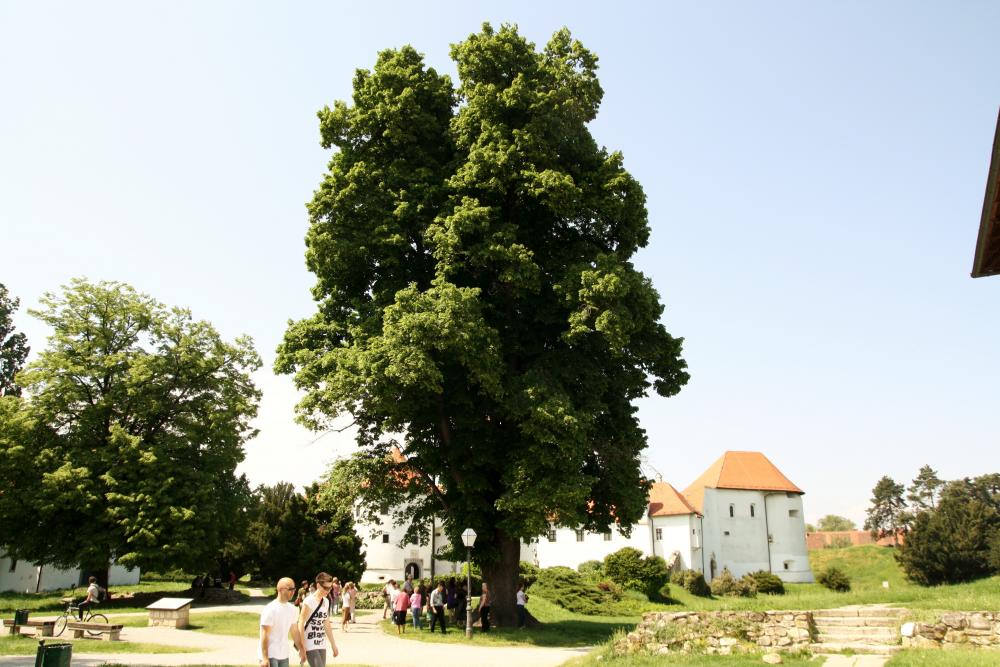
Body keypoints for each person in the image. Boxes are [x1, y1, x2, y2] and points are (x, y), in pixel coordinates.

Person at [259, 577, 304, 667]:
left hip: (283, 654)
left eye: (294, 589)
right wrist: (265, 658)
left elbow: (295, 632)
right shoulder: (270, 609)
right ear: (281, 589)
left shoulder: (292, 609)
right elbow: (265, 634)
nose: (293, 591)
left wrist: (301, 649)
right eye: (290, 589)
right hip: (270, 654)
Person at [298, 572, 339, 667]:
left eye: (330, 588)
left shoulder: (326, 601)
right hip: (309, 642)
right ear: (318, 585)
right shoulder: (309, 601)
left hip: (321, 642)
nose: (328, 591)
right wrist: (302, 646)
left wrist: (333, 645)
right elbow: (301, 622)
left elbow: (326, 624)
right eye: (325, 588)